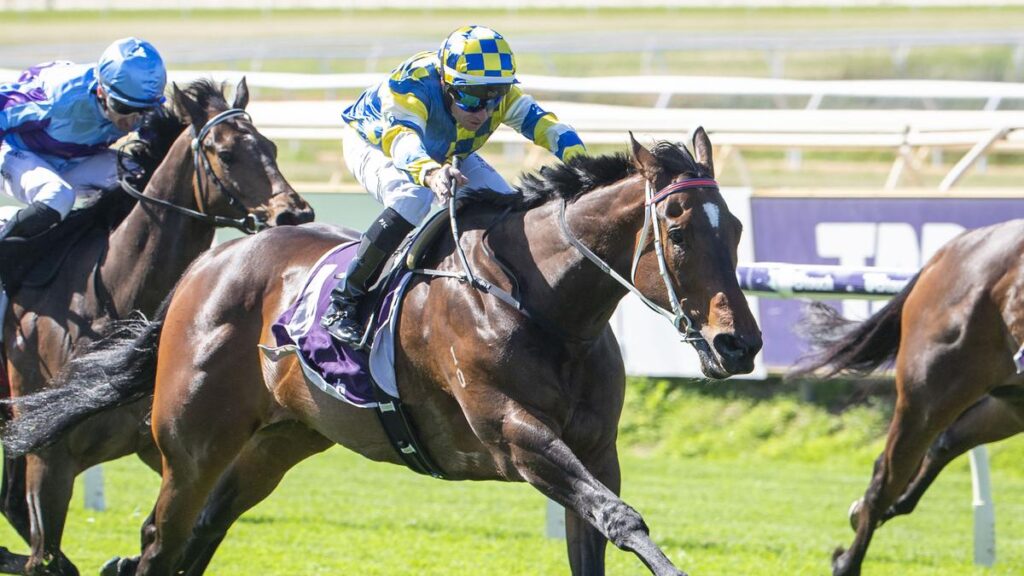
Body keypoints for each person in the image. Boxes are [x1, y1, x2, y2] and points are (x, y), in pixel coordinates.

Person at [322, 25, 586, 346]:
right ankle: (344, 300)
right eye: (472, 100)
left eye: (494, 99)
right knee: (413, 197)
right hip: (379, 143)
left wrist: (583, 164)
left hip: (448, 149)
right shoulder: (412, 85)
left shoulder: (492, 92)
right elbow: (402, 143)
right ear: (446, 83)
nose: (484, 112)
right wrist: (432, 173)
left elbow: (548, 126)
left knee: (505, 206)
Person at [0, 37, 167, 240]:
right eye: (124, 108)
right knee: (57, 196)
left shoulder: (145, 103)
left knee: (145, 182)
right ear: (101, 92)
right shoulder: (57, 96)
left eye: (144, 110)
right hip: (17, 151)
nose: (133, 120)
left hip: (76, 160)